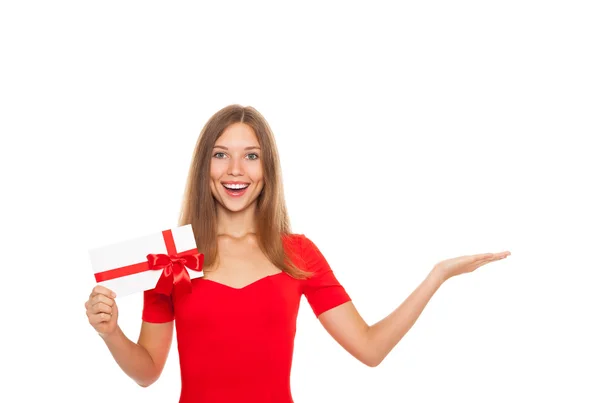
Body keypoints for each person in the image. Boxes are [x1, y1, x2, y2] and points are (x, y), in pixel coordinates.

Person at [85, 104, 511, 402]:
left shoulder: (298, 253)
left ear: (267, 169)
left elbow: (370, 348)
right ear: (205, 168)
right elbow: (147, 373)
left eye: (250, 156)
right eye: (221, 156)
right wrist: (111, 332)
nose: (236, 170)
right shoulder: (172, 259)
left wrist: (436, 275)